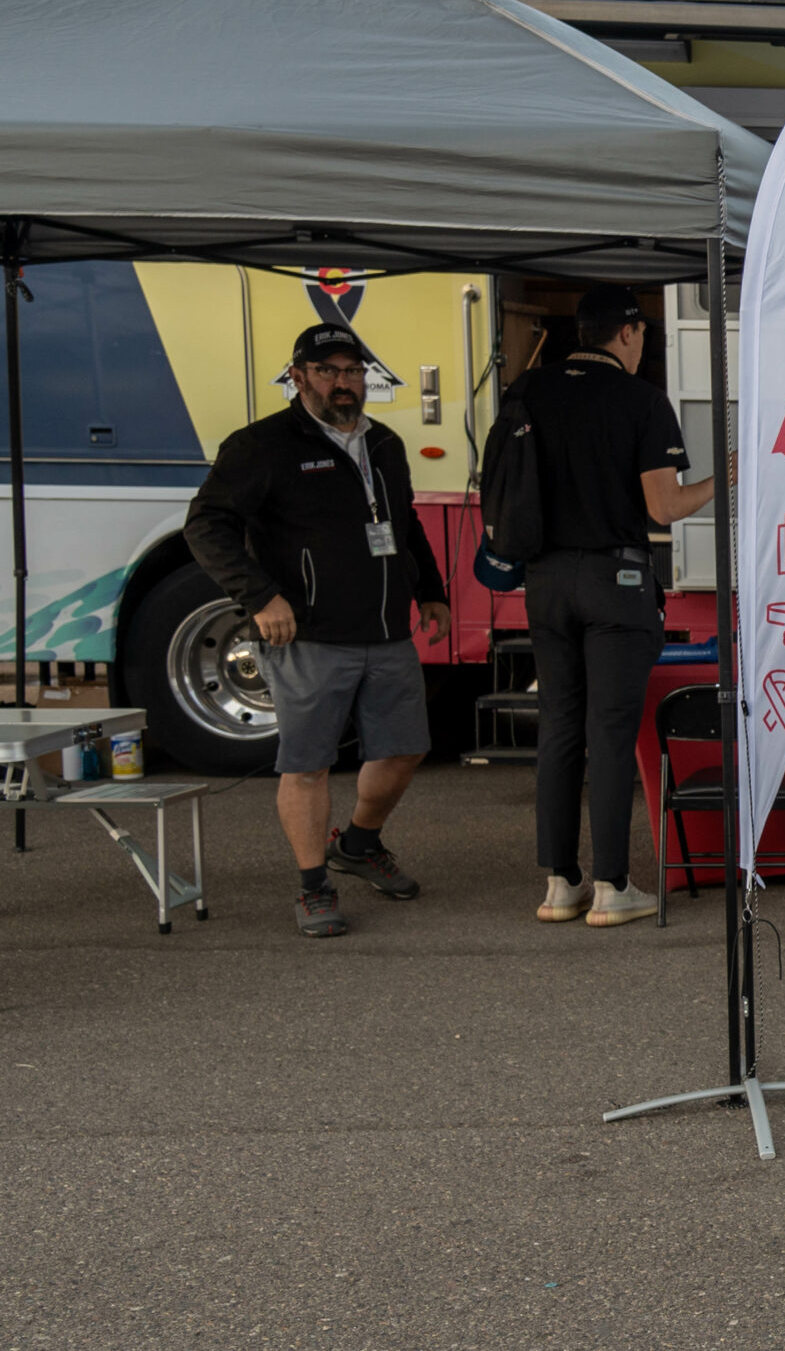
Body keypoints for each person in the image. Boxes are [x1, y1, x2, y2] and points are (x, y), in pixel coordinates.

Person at [185, 324, 452, 937]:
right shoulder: (262, 445)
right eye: (327, 371)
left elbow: (403, 522)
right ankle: (313, 887)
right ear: (298, 376)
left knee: (405, 749)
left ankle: (357, 845)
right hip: (308, 637)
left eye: (353, 371)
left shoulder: (384, 442)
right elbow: (205, 525)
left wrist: (431, 591)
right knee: (307, 765)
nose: (343, 383)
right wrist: (260, 597)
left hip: (386, 632)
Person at [504, 285, 715, 927]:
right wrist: (723, 479)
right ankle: (612, 885)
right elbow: (664, 508)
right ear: (626, 333)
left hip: (544, 579)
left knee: (560, 728)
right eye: (643, 332)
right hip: (614, 580)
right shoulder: (640, 399)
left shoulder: (527, 390)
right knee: (611, 732)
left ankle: (559, 883)